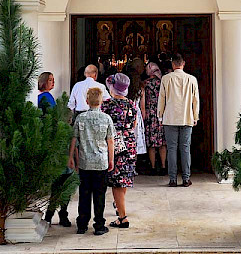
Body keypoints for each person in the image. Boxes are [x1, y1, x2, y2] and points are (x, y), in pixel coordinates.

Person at [69, 87, 115, 235]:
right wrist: (111, 159)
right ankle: (99, 225)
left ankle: (82, 224)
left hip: (84, 162)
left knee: (84, 193)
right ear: (101, 101)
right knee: (100, 194)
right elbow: (110, 142)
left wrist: (71, 158)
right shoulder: (106, 118)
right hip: (101, 161)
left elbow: (74, 140)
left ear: (87, 101)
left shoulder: (80, 118)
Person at [101, 73, 137, 229]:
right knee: (124, 179)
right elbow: (134, 125)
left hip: (115, 145)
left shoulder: (107, 105)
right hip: (129, 144)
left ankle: (122, 217)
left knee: (117, 182)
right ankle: (119, 207)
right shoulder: (132, 104)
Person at [158, 53, 199, 187]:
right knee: (185, 148)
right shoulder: (191, 79)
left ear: (173, 65)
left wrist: (160, 115)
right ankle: (186, 178)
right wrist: (195, 115)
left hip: (170, 117)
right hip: (187, 116)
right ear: (183, 64)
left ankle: (173, 179)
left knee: (171, 148)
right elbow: (195, 100)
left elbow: (162, 98)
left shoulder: (166, 79)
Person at [37, 71, 72, 227]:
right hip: (55, 141)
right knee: (61, 181)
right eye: (50, 80)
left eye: (53, 79)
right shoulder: (45, 98)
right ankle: (57, 214)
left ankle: (53, 214)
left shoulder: (46, 97)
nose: (53, 82)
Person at [142, 61, 167, 174]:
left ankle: (152, 167)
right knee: (162, 143)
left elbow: (142, 100)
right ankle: (163, 166)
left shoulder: (144, 84)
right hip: (161, 114)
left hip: (149, 114)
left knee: (151, 143)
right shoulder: (162, 83)